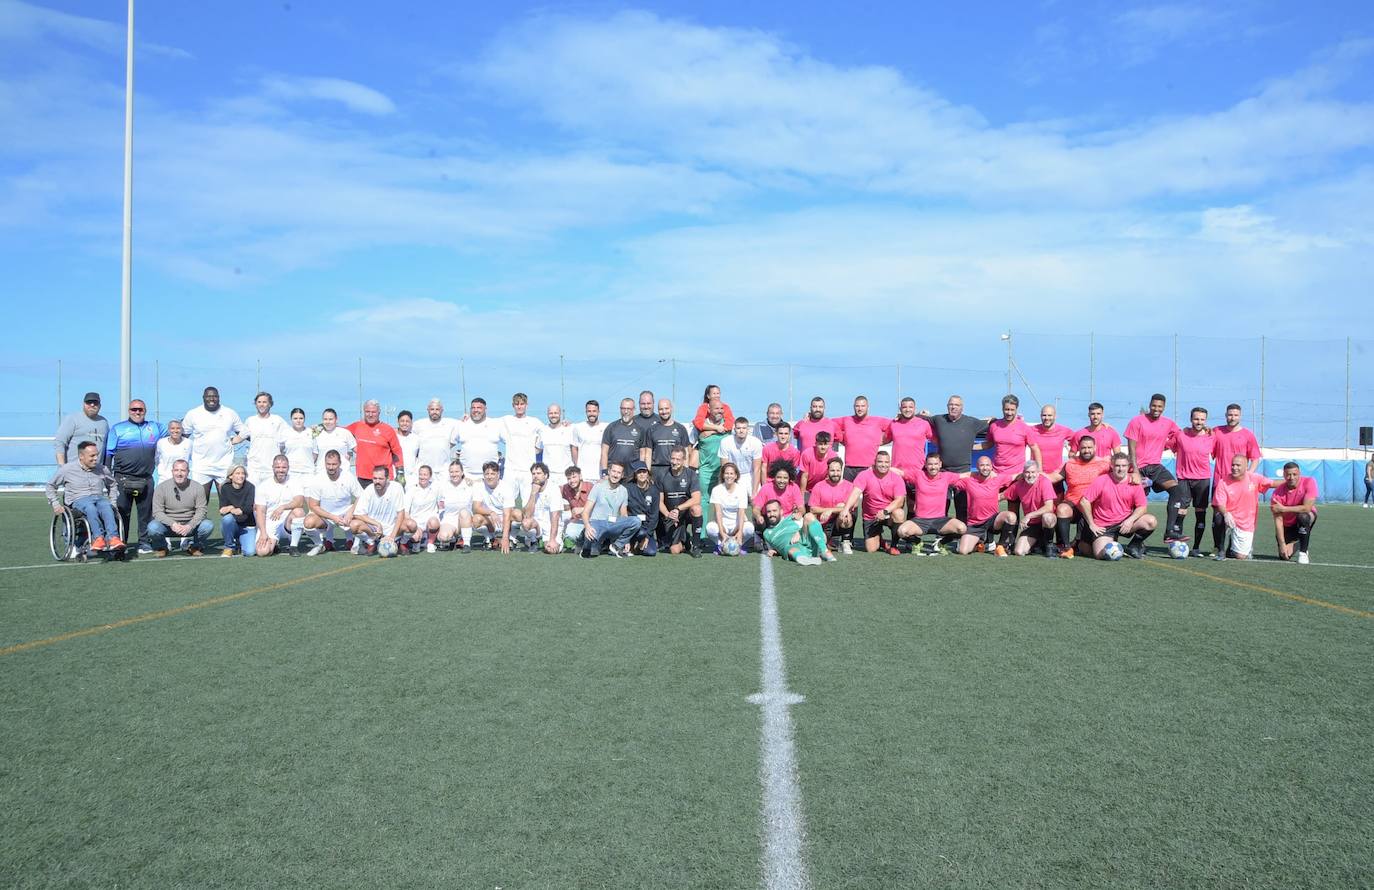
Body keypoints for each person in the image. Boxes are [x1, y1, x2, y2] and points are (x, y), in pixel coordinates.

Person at [105, 398, 164, 552]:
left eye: (140, 409)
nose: (137, 412)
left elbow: (176, 429)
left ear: (145, 411)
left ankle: (144, 543)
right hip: (122, 479)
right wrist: (106, 477)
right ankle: (120, 543)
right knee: (122, 513)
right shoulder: (117, 429)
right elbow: (108, 453)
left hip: (146, 479)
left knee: (146, 514)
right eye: (134, 409)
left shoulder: (155, 427)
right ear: (129, 411)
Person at [46, 440, 122, 555]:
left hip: (99, 498)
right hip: (79, 500)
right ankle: (98, 538)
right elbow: (50, 486)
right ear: (81, 456)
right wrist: (55, 504)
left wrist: (113, 501)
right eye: (92, 456)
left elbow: (112, 484)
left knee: (107, 506)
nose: (96, 458)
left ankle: (113, 538)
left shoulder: (102, 469)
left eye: (97, 455)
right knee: (90, 507)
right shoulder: (67, 469)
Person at [1079, 453, 1157, 560]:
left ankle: (1133, 546)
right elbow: (1084, 501)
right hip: (1104, 526)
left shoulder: (1134, 482)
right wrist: (1092, 524)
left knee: (1150, 521)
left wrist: (1130, 520)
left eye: (1123, 466)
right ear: (1112, 466)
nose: (1120, 469)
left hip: (1124, 524)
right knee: (1099, 554)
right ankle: (1095, 542)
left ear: (1128, 467)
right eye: (1117, 466)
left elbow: (1142, 507)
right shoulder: (1101, 480)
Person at [928, 395, 988, 522]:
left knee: (963, 507)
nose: (953, 407)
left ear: (962, 407)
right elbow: (919, 419)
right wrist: (918, 413)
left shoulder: (972, 422)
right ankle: (941, 535)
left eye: (956, 405)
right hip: (944, 472)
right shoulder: (938, 419)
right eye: (951, 404)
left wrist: (992, 420)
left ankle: (963, 536)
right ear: (947, 406)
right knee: (942, 505)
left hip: (963, 472)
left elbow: (995, 427)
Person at [1050, 435, 1111, 556]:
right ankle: (1066, 547)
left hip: (1094, 508)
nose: (1086, 450)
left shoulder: (1105, 464)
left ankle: (1079, 542)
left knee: (1087, 551)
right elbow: (1054, 477)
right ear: (1078, 448)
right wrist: (1035, 474)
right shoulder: (1069, 464)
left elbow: (1122, 470)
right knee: (1062, 509)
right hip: (1074, 504)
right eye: (1083, 448)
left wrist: (1134, 475)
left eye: (1089, 447)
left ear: (1095, 447)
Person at [1165, 408, 1215, 553]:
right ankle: (1175, 543)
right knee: (1180, 511)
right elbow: (1165, 445)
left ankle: (1196, 547)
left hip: (1203, 480)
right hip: (1184, 479)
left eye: (1202, 419)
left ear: (1205, 420)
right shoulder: (1181, 435)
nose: (1199, 422)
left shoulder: (1211, 436)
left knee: (1200, 513)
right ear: (1191, 419)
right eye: (1196, 419)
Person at [1211, 454, 1277, 561]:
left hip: (1246, 522)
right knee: (1218, 517)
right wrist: (1226, 514)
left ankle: (1233, 547)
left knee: (1241, 557)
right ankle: (1221, 550)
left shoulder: (1254, 478)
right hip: (1230, 517)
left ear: (1246, 467)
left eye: (1238, 465)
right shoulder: (1223, 482)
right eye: (1233, 465)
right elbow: (1220, 504)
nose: (1234, 468)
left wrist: (1296, 482)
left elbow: (1273, 483)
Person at [181, 386, 244, 498]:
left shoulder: (229, 413)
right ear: (203, 398)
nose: (212, 399)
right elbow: (183, 437)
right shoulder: (193, 414)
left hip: (224, 465)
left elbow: (244, 432)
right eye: (209, 396)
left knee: (227, 502)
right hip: (201, 466)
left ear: (219, 398)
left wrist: (236, 440)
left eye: (214, 396)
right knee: (200, 503)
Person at [904, 453, 967, 555]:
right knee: (902, 531)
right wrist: (878, 468)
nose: (933, 467)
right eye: (930, 464)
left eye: (935, 464)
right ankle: (918, 542)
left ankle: (941, 543)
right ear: (925, 465)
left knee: (962, 528)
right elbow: (901, 473)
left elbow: (965, 475)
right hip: (920, 521)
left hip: (940, 521)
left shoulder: (946, 476)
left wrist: (988, 473)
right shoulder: (918, 475)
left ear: (940, 464)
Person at [302, 450, 363, 555]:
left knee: (361, 514)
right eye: (328, 464)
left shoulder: (348, 477)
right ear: (325, 464)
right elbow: (313, 505)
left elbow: (361, 496)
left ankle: (357, 544)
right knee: (308, 522)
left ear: (339, 464)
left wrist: (350, 512)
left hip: (345, 514)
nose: (331, 467)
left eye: (334, 464)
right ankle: (319, 545)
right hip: (325, 515)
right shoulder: (318, 479)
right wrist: (332, 517)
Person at [952, 456, 1015, 555]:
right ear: (977, 467)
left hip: (993, 521)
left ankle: (1001, 546)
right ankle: (980, 544)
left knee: (1011, 516)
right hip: (975, 524)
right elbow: (950, 480)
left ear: (991, 467)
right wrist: (968, 474)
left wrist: (1038, 473)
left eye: (987, 465)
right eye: (982, 465)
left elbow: (1016, 477)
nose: (985, 468)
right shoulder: (969, 481)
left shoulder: (997, 479)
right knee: (963, 551)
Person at [149, 459, 212, 557]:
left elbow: (202, 510)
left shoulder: (198, 487)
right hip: (169, 526)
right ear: (172, 471)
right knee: (153, 527)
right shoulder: (161, 488)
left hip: (190, 526)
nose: (179, 473)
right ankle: (162, 547)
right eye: (176, 470)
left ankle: (195, 547)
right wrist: (172, 524)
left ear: (188, 472)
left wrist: (190, 525)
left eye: (183, 470)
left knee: (207, 525)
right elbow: (157, 512)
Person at [853, 450, 911, 555]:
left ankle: (893, 546)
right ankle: (880, 540)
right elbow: (855, 493)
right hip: (871, 517)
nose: (883, 465)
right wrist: (845, 509)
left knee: (899, 513)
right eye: (880, 462)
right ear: (875, 462)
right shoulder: (865, 475)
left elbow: (900, 500)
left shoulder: (896, 478)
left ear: (890, 463)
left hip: (888, 514)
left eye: (886, 462)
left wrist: (885, 511)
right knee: (871, 549)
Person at [1124, 394, 1180, 500]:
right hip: (1138, 467)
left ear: (1164, 407)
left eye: (1160, 406)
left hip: (1155, 467)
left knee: (1176, 491)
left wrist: (1167, 445)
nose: (1156, 409)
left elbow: (1180, 436)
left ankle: (1153, 483)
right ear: (1150, 405)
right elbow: (1131, 449)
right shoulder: (1136, 421)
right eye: (1154, 405)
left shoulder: (1168, 423)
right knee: (1136, 499)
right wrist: (1135, 470)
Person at [997, 460, 1059, 557]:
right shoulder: (1018, 485)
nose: (1030, 475)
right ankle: (1038, 544)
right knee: (1019, 551)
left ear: (1038, 473)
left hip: (1045, 522)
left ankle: (1049, 545)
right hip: (1032, 525)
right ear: (1023, 473)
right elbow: (1001, 497)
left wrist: (1029, 515)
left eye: (1033, 472)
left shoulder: (1045, 482)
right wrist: (983, 497)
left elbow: (1049, 507)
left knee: (1048, 517)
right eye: (1027, 472)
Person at [581, 462, 641, 558]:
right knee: (592, 551)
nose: (615, 475)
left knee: (636, 521)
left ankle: (616, 545)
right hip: (598, 523)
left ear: (622, 475)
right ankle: (587, 545)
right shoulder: (598, 487)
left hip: (614, 523)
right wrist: (587, 526)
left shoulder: (623, 490)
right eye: (613, 471)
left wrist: (626, 541)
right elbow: (585, 512)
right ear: (609, 471)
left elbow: (624, 514)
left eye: (618, 472)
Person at [693, 388, 731, 540]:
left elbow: (729, 431)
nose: (720, 411)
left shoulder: (728, 425)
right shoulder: (700, 426)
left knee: (723, 501)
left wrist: (714, 431)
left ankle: (723, 534)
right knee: (704, 500)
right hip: (706, 470)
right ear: (709, 409)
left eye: (722, 408)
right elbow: (692, 446)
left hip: (723, 471)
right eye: (716, 408)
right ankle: (702, 535)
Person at [253, 455, 307, 556]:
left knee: (299, 511)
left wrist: (283, 507)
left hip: (287, 522)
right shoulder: (263, 486)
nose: (280, 470)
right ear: (272, 467)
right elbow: (260, 512)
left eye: (283, 467)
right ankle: (275, 544)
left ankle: (293, 546)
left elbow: (299, 502)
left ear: (288, 468)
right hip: (270, 523)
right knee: (262, 552)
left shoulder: (295, 482)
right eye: (277, 467)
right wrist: (263, 533)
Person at [349, 464, 408, 556]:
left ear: (387, 478)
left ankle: (402, 544)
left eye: (380, 479)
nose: (377, 481)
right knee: (354, 525)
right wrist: (377, 524)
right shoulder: (368, 490)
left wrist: (392, 536)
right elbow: (357, 514)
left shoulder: (396, 488)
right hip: (374, 530)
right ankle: (371, 543)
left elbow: (401, 513)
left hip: (392, 528)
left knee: (411, 525)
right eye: (375, 478)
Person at [807, 456, 861, 555]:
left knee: (845, 513)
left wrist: (831, 510)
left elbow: (854, 504)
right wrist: (828, 510)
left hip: (839, 523)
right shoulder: (819, 486)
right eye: (832, 470)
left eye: (838, 470)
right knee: (820, 544)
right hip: (823, 523)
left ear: (842, 470)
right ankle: (827, 540)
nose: (835, 473)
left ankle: (845, 542)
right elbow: (812, 509)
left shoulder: (849, 486)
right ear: (827, 471)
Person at [655, 446, 703, 556]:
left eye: (678, 459)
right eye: (673, 458)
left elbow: (697, 499)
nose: (674, 462)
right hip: (672, 515)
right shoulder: (662, 475)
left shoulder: (691, 474)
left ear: (684, 460)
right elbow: (660, 501)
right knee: (674, 551)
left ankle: (695, 546)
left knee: (697, 509)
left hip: (685, 512)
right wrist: (668, 514)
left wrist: (678, 508)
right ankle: (686, 539)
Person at [978, 394, 1039, 479]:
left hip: (1017, 476)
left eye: (1012, 410)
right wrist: (969, 446)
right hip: (996, 474)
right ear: (1002, 408)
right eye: (1007, 409)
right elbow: (989, 444)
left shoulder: (1024, 428)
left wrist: (1039, 471)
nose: (1009, 413)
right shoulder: (994, 425)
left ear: (1016, 409)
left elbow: (1035, 449)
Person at [500, 393, 544, 505]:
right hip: (510, 469)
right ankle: (507, 523)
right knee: (506, 502)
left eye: (522, 404)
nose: (519, 406)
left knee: (528, 502)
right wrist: (467, 418)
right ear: (513, 405)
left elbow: (547, 432)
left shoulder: (535, 422)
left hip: (527, 469)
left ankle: (527, 522)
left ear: (526, 405)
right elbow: (488, 423)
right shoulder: (506, 420)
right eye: (517, 404)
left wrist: (538, 447)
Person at [347, 400, 402, 489]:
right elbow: (340, 431)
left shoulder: (388, 429)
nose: (370, 414)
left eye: (373, 412)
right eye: (367, 412)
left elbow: (397, 452)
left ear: (379, 412)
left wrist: (400, 473)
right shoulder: (357, 426)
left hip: (383, 477)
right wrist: (321, 427)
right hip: (363, 478)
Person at [760, 499, 833, 566]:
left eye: (774, 511)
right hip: (792, 548)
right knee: (791, 549)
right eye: (769, 512)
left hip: (805, 540)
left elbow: (809, 525)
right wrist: (773, 551)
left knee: (809, 516)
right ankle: (805, 559)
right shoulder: (766, 533)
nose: (771, 514)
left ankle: (824, 551)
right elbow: (774, 549)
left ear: (781, 511)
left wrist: (798, 532)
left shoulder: (792, 518)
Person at [1271, 461, 1318, 564]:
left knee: (1303, 517)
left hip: (1304, 517)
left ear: (1299, 474)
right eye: (1288, 474)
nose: (1291, 477)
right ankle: (1300, 542)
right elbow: (1278, 522)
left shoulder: (1309, 482)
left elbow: (1307, 508)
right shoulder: (1277, 494)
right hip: (1287, 525)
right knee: (1284, 556)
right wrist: (1282, 544)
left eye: (1294, 474)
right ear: (1284, 475)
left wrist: (1284, 509)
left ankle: (1303, 553)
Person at [836, 395, 891, 481]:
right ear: (854, 407)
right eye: (857, 406)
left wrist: (883, 441)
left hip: (869, 468)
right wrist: (842, 439)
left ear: (868, 407)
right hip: (849, 468)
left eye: (862, 406)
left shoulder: (878, 421)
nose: (860, 408)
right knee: (847, 494)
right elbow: (828, 424)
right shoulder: (847, 420)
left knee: (870, 494)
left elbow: (895, 426)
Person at [706, 462, 756, 553]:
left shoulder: (741, 490)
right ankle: (720, 545)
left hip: (736, 524)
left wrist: (740, 532)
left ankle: (739, 545)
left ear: (736, 476)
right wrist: (722, 532)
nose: (729, 476)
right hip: (723, 524)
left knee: (749, 528)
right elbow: (718, 512)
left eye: (732, 473)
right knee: (710, 528)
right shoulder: (716, 490)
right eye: (726, 473)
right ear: (723, 475)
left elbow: (741, 513)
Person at [242, 391, 290, 485]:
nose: (261, 404)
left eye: (264, 402)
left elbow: (290, 436)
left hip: (270, 468)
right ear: (255, 404)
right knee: (253, 497)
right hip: (254, 468)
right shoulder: (250, 421)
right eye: (259, 402)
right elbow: (240, 437)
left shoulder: (278, 420)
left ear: (270, 404)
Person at [473, 460, 521, 553]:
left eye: (492, 473)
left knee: (518, 514)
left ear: (498, 475)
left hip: (504, 519)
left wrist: (505, 538)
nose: (489, 476)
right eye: (487, 474)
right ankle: (490, 538)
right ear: (483, 475)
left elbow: (507, 514)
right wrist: (491, 512)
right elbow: (476, 508)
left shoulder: (506, 488)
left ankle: (512, 538)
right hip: (490, 520)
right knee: (476, 519)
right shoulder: (478, 486)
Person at [520, 462, 565, 554]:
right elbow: (527, 515)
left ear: (546, 475)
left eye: (539, 473)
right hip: (536, 525)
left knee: (552, 550)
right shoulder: (528, 488)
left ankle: (551, 539)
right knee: (525, 523)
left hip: (550, 526)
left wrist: (552, 539)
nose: (535, 476)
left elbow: (555, 517)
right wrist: (533, 493)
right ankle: (534, 540)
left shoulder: (554, 489)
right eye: (533, 474)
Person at [889, 397, 935, 484]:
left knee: (918, 498)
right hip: (897, 472)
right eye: (904, 407)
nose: (907, 409)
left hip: (918, 471)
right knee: (898, 498)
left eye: (910, 407)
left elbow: (937, 441)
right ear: (900, 409)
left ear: (915, 408)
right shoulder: (893, 424)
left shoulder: (924, 424)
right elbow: (882, 440)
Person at [54, 392, 109, 465]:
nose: (92, 405)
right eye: (89, 402)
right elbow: (60, 442)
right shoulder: (73, 419)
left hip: (96, 471)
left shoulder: (104, 422)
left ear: (100, 405)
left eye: (95, 403)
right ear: (84, 404)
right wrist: (62, 467)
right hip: (75, 471)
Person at [1024, 404, 1073, 483]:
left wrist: (1072, 456)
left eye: (1050, 415)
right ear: (1040, 416)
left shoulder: (1064, 431)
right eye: (1044, 415)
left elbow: (1079, 441)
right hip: (1036, 477)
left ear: (1055, 416)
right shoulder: (1031, 430)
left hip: (1056, 477)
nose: (1047, 418)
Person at [398, 464, 441, 553]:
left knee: (434, 522)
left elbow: (441, 505)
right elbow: (406, 512)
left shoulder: (436, 487)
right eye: (421, 474)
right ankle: (416, 542)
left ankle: (430, 543)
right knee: (416, 537)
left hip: (430, 521)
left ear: (430, 476)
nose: (422, 477)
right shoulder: (411, 489)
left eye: (425, 475)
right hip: (416, 522)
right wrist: (414, 527)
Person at [601, 398, 650, 476]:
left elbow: (642, 454)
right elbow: (604, 452)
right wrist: (604, 472)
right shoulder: (611, 427)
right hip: (614, 474)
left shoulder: (640, 430)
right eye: (623, 408)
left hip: (632, 475)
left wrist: (640, 473)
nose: (626, 411)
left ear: (634, 410)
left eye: (629, 409)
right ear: (620, 409)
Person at [434, 461, 476, 551]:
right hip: (449, 519)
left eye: (457, 471)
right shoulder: (443, 486)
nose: (454, 474)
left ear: (462, 472)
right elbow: (439, 505)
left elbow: (483, 481)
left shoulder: (470, 485)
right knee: (443, 537)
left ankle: (466, 544)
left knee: (464, 512)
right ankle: (453, 538)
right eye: (451, 472)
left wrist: (471, 480)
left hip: (465, 520)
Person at [414, 399, 461, 478]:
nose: (434, 412)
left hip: (444, 471)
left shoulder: (451, 423)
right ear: (428, 410)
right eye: (432, 409)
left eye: (437, 409)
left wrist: (466, 418)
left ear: (442, 410)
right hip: (424, 470)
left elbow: (465, 423)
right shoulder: (418, 424)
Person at [217, 464, 257, 556]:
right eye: (237, 473)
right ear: (231, 476)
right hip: (233, 523)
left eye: (243, 473)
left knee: (250, 552)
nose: (241, 476)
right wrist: (231, 508)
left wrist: (238, 510)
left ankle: (239, 542)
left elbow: (249, 508)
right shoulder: (225, 488)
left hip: (247, 525)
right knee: (227, 519)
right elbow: (222, 510)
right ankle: (229, 547)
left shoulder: (250, 487)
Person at [720, 416, 765, 496]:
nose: (741, 431)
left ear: (748, 429)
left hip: (750, 475)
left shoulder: (756, 443)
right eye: (738, 428)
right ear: (734, 430)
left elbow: (757, 469)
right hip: (733, 475)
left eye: (744, 428)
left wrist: (754, 492)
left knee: (756, 502)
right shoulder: (725, 442)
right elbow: (724, 467)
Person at [623, 461, 661, 555]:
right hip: (632, 526)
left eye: (644, 472)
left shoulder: (654, 490)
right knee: (640, 533)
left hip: (646, 528)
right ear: (635, 475)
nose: (642, 474)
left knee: (651, 552)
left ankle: (638, 544)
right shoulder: (628, 489)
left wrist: (648, 536)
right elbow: (623, 511)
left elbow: (654, 515)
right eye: (639, 472)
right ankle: (630, 542)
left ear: (648, 473)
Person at [751, 461, 804, 527]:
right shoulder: (766, 488)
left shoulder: (794, 487)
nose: (782, 481)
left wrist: (800, 513)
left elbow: (801, 508)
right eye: (779, 477)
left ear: (789, 478)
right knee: (759, 523)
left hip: (789, 519)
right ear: (774, 477)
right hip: (770, 519)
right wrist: (758, 516)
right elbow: (756, 509)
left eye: (785, 478)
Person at [647, 399, 692, 472]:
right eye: (661, 409)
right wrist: (648, 473)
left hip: (675, 469)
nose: (664, 412)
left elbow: (686, 453)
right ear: (658, 410)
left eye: (666, 408)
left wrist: (685, 472)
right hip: (656, 471)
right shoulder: (652, 429)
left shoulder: (681, 428)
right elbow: (648, 454)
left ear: (671, 408)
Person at [539, 404, 576, 489]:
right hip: (549, 475)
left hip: (566, 475)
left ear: (560, 414)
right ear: (547, 414)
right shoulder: (543, 430)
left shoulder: (570, 429)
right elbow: (537, 450)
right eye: (551, 413)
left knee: (566, 502)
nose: (553, 415)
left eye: (556, 413)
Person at [313, 408, 358, 476]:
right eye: (325, 419)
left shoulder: (345, 433)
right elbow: (314, 456)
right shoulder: (317, 434)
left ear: (336, 420)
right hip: (322, 474)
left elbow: (358, 451)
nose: (328, 422)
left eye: (331, 419)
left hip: (342, 474)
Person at [570, 400, 606, 481]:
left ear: (598, 412)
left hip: (599, 476)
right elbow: (574, 448)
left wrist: (605, 472)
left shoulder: (606, 427)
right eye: (589, 411)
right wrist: (577, 468)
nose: (591, 413)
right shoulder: (578, 427)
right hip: (583, 475)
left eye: (594, 411)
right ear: (586, 412)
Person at [560, 466, 594, 548]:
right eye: (569, 478)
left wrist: (583, 510)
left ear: (580, 476)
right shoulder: (566, 488)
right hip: (577, 521)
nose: (571, 481)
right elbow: (554, 491)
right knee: (570, 533)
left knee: (593, 537)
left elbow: (600, 507)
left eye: (574, 477)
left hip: (592, 520)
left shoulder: (591, 487)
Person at [282, 408, 316, 476]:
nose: (298, 421)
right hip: (290, 472)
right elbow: (281, 451)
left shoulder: (311, 432)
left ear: (304, 419)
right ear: (291, 419)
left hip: (308, 472)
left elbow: (315, 452)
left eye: (301, 418)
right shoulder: (285, 433)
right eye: (295, 418)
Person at [395, 410, 419, 484]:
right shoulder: (393, 437)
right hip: (395, 476)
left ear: (411, 422)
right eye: (402, 421)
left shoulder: (416, 439)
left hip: (411, 478)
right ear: (397, 421)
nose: (405, 423)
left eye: (407, 421)